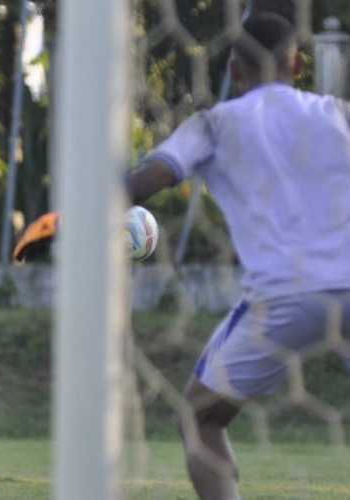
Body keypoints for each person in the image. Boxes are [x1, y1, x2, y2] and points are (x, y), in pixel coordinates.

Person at [126, 13, 350, 500]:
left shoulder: (214, 124)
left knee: (200, 418)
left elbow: (145, 183)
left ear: (234, 70)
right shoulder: (337, 112)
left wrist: (74, 212)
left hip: (286, 294)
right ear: (296, 63)